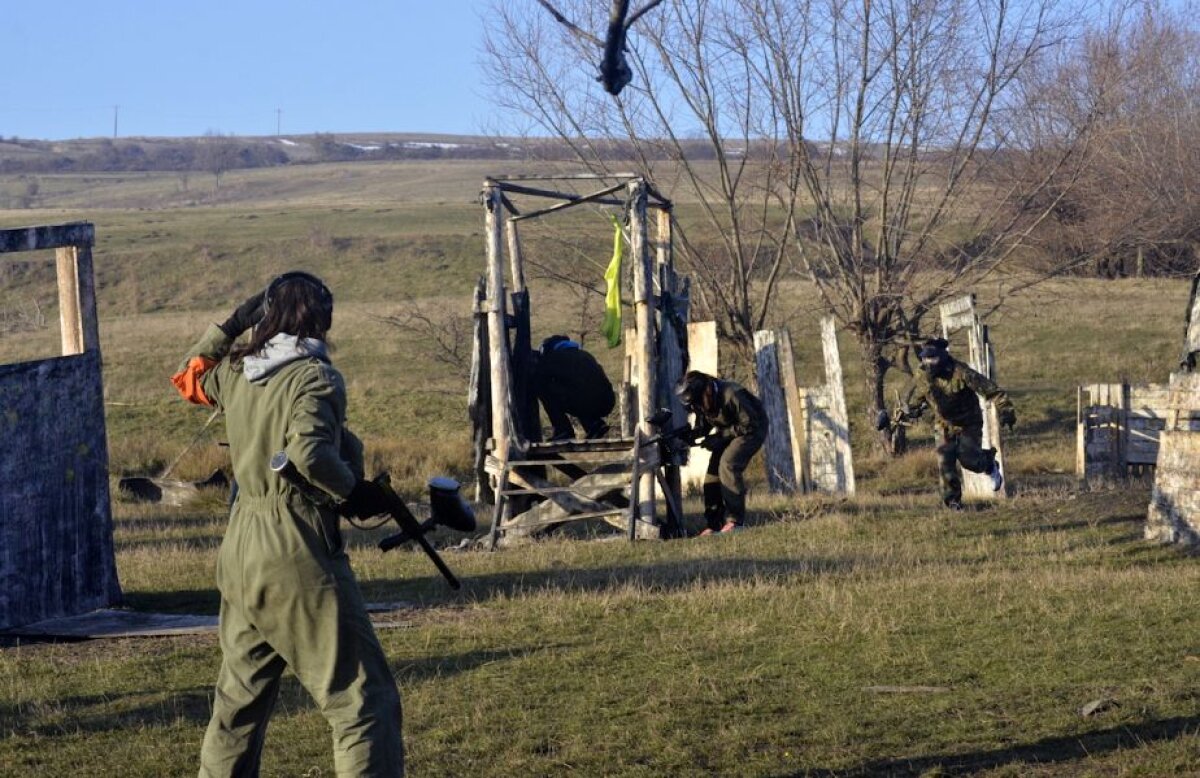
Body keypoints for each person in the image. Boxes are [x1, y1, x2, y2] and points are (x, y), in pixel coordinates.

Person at [171, 271, 405, 776]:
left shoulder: (239, 372)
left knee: (238, 707)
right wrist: (353, 491)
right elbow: (311, 453)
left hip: (240, 550)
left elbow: (190, 375)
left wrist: (234, 322)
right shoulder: (315, 376)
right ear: (321, 317)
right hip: (293, 548)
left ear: (266, 315)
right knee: (363, 702)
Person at [901, 337, 1016, 510]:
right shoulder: (922, 374)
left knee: (969, 460)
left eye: (932, 358)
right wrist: (911, 410)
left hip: (968, 423)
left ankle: (989, 463)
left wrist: (1006, 412)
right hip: (944, 424)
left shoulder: (961, 372)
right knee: (945, 463)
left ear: (942, 356)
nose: (928, 363)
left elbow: (993, 391)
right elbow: (919, 397)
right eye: (925, 359)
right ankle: (953, 504)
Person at [675, 370, 768, 535]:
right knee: (712, 474)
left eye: (697, 404)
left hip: (752, 430)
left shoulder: (731, 394)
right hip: (730, 431)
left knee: (728, 464)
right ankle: (714, 524)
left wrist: (719, 437)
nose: (696, 408)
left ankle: (735, 521)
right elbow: (704, 426)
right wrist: (689, 435)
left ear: (705, 392)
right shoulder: (702, 401)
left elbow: (749, 424)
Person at [532, 335, 616, 441]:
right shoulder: (585, 355)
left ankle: (563, 430)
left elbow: (540, 375)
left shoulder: (554, 357)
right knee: (579, 390)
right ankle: (594, 424)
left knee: (543, 388)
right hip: (608, 401)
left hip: (586, 401)